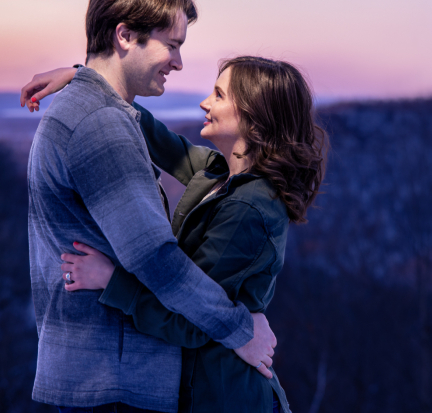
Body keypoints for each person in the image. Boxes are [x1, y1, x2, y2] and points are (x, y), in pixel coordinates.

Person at [23, 0, 277, 413]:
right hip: (115, 383)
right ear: (125, 36)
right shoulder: (100, 124)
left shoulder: (97, 112)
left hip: (102, 376)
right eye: (172, 45)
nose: (178, 62)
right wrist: (241, 330)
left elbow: (172, 150)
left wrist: (82, 74)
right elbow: (155, 259)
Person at [26, 56, 327, 413]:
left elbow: (193, 319)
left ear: (253, 115)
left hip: (223, 396)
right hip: (203, 388)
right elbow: (158, 139)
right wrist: (86, 79)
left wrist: (110, 280)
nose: (205, 102)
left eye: (218, 95)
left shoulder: (250, 209)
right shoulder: (220, 173)